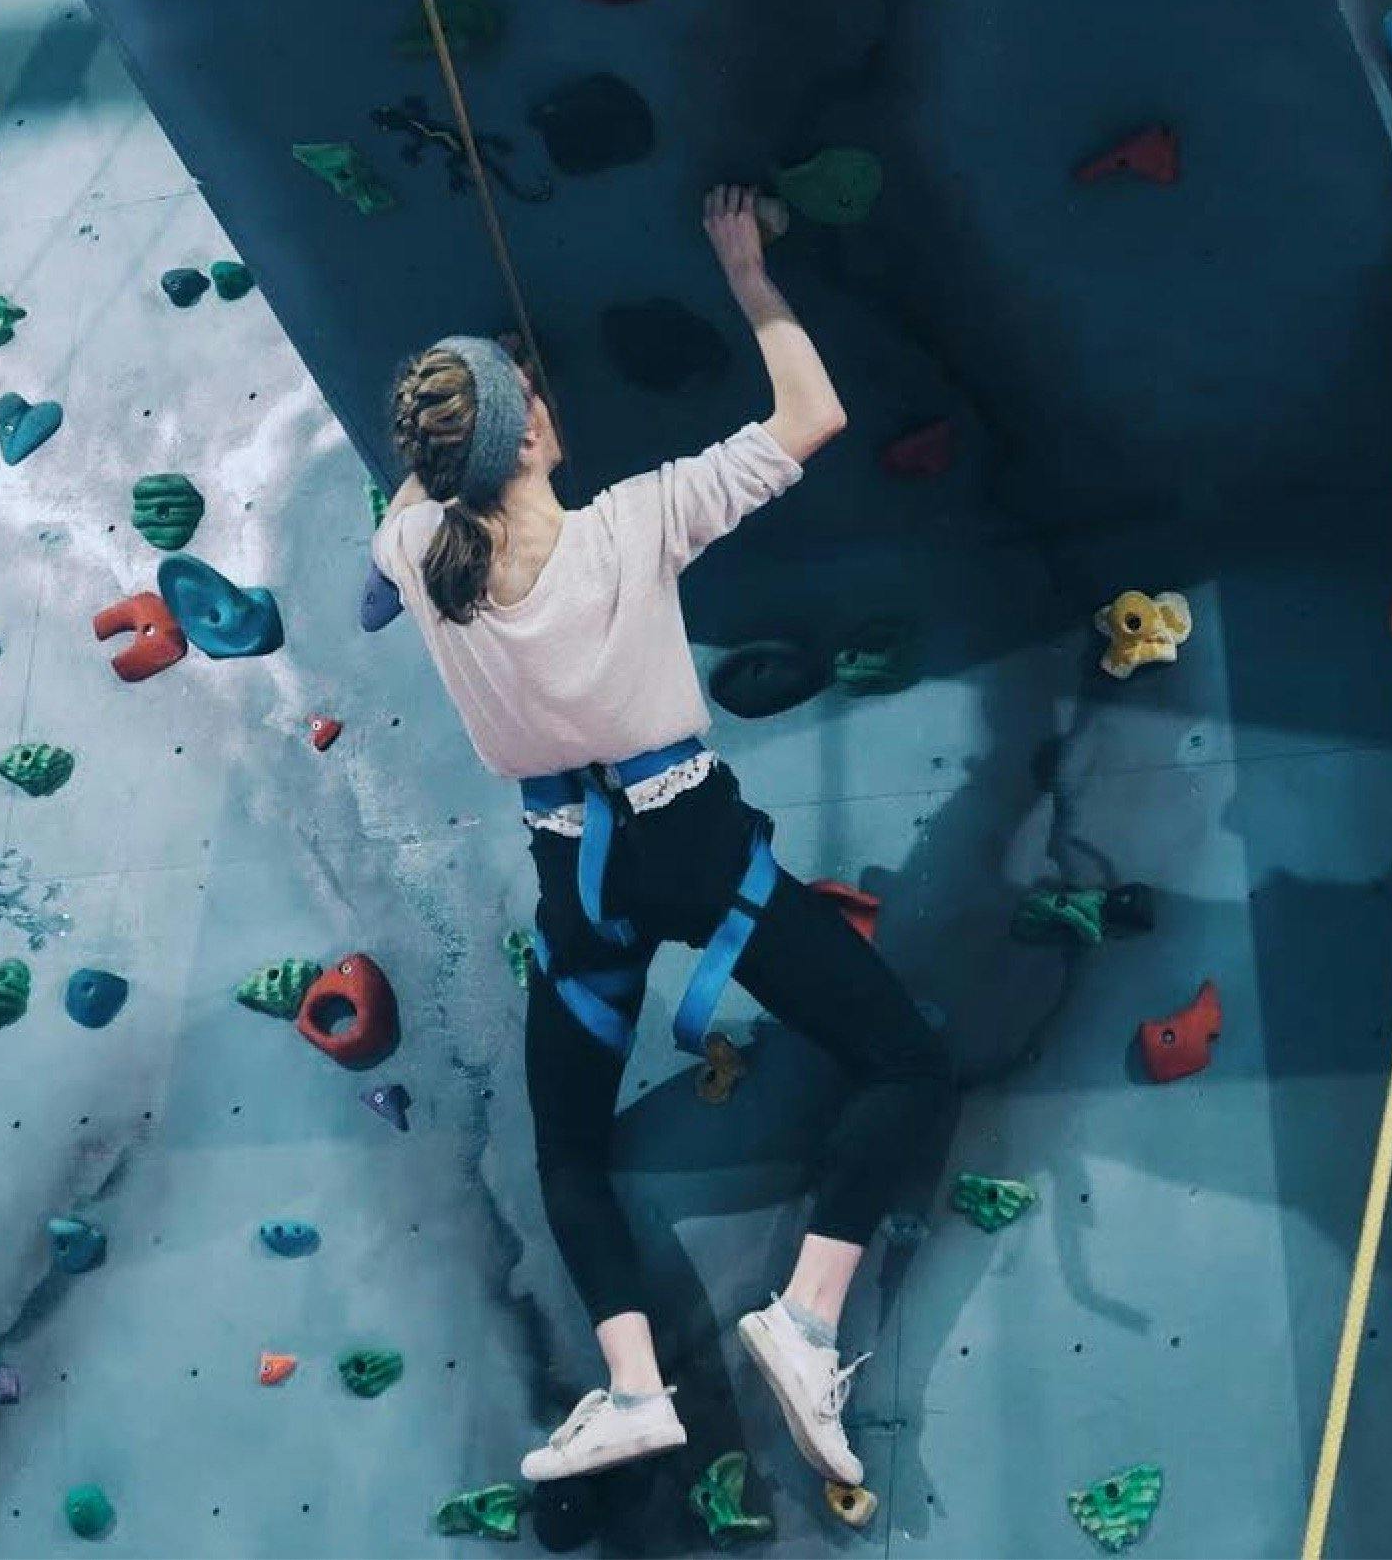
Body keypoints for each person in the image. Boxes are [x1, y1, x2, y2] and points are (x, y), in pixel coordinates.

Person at [374, 185, 956, 1489]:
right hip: (694, 846)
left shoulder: (413, 553)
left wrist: (479, 403)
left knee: (569, 1150)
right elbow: (811, 416)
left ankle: (635, 1388)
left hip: (574, 879)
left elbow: (425, 482)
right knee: (907, 1066)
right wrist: (747, 272)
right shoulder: (632, 523)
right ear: (535, 433)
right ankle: (803, 1320)